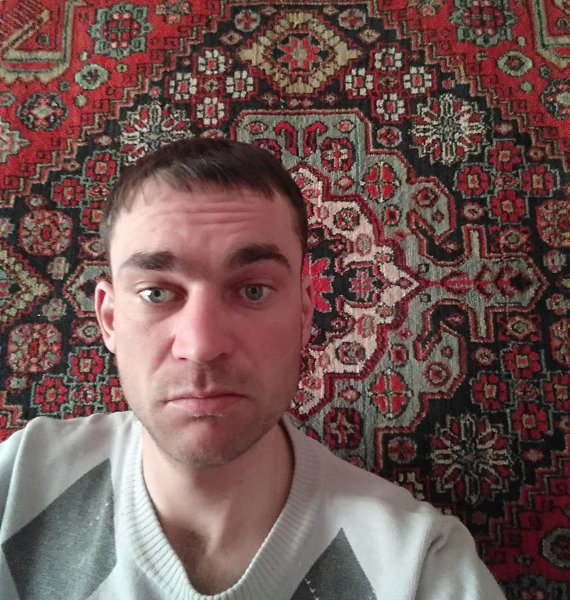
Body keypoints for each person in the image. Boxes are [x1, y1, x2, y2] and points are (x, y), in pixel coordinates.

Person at [0, 138, 506, 599]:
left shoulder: (418, 568)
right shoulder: (20, 479)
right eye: (156, 293)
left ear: (305, 311)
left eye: (253, 290)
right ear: (109, 319)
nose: (202, 346)